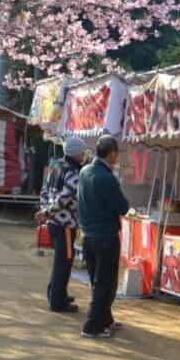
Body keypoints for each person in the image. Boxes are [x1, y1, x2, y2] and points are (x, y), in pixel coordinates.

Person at [76, 135, 130, 339]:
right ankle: (92, 326)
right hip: (105, 235)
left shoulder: (85, 171)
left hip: (88, 234)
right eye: (117, 154)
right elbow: (123, 207)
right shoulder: (106, 177)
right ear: (112, 153)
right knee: (105, 283)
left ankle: (105, 319)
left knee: (97, 281)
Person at [37, 137, 84, 313]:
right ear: (76, 153)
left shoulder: (56, 167)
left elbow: (44, 190)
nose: (83, 155)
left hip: (54, 222)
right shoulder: (73, 172)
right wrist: (48, 212)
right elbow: (65, 198)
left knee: (61, 261)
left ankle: (57, 293)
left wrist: (45, 210)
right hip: (65, 223)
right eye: (82, 152)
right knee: (63, 263)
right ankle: (58, 302)